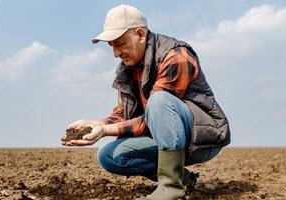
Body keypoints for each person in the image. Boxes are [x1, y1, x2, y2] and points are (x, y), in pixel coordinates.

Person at [61, 4, 231, 200]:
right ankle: (182, 179)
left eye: (120, 43)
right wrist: (98, 124)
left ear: (140, 34)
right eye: (112, 46)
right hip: (162, 136)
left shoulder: (175, 55)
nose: (116, 53)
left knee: (159, 101)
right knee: (108, 155)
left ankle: (170, 189)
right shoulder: (126, 68)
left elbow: (156, 113)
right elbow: (123, 113)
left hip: (199, 138)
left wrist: (105, 131)